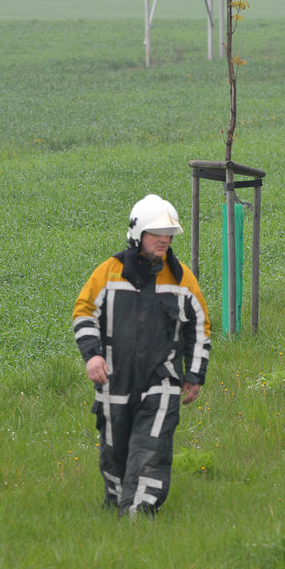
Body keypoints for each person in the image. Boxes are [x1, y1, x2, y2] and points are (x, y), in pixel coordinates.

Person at [72, 194, 211, 517]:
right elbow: (83, 312)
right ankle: (117, 504)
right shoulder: (108, 274)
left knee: (152, 446)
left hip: (161, 380)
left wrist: (194, 375)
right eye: (156, 234)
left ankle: (138, 513)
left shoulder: (182, 280)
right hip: (113, 379)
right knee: (114, 450)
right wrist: (92, 356)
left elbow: (201, 327)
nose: (164, 240)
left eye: (169, 234)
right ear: (137, 235)